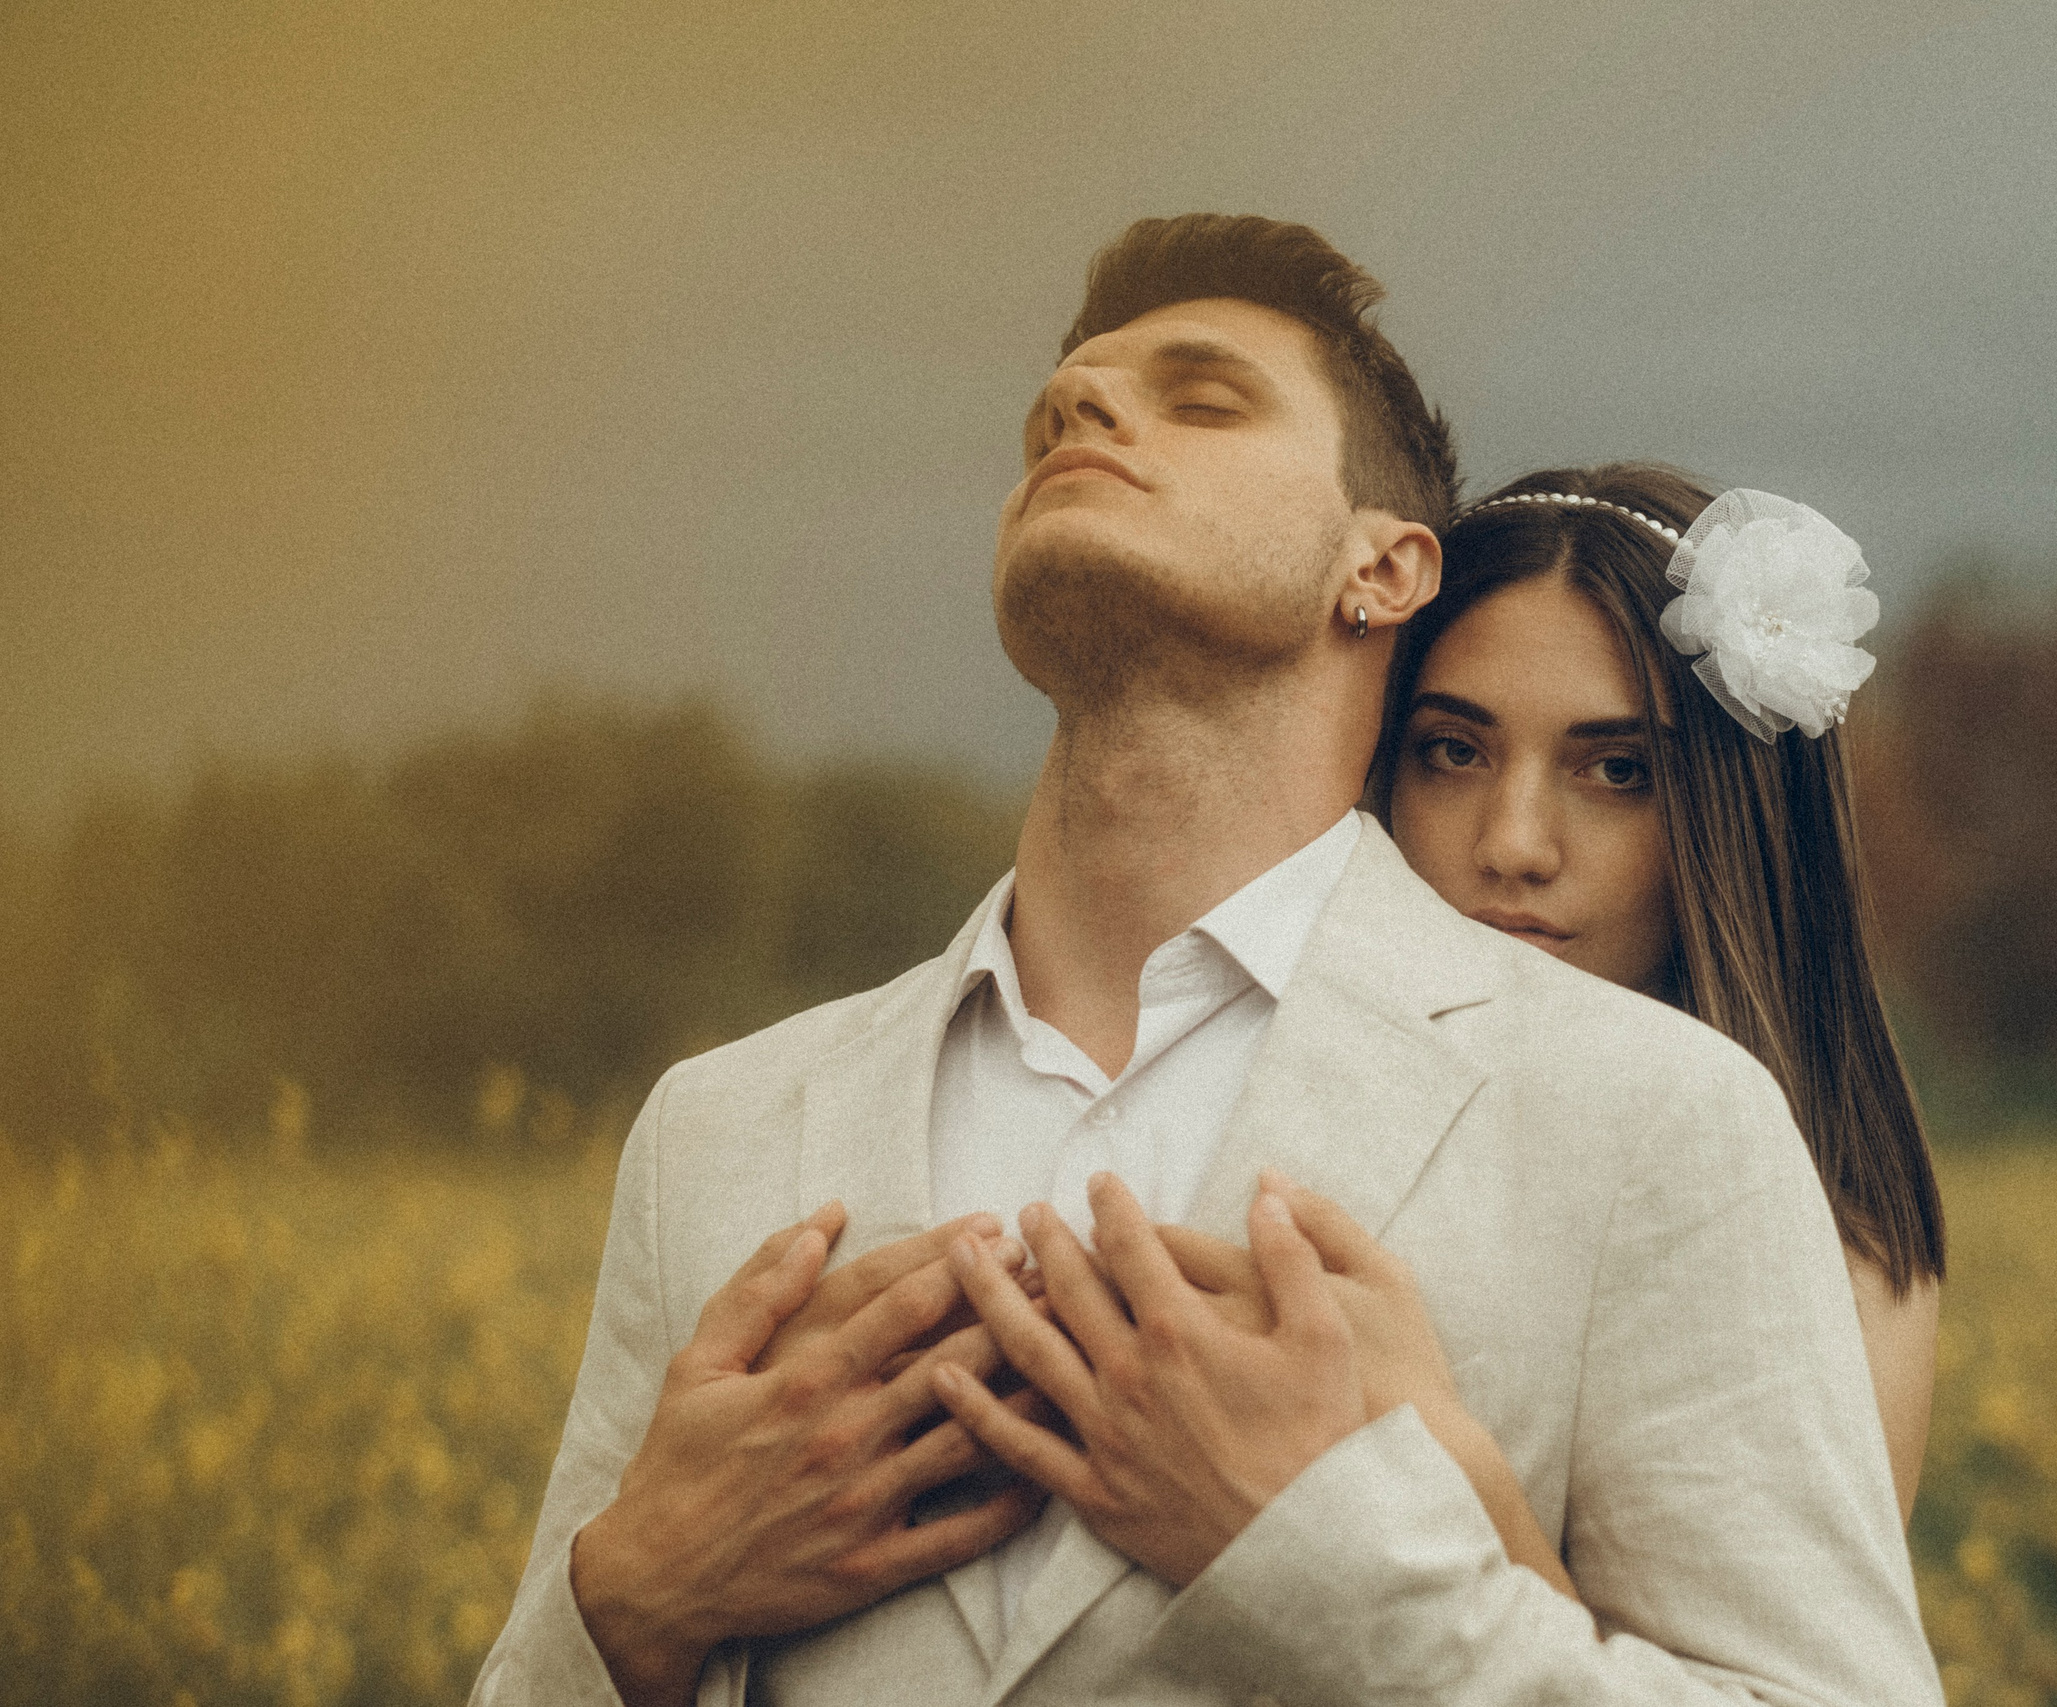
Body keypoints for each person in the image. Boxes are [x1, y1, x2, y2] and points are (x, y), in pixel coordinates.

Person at [470, 214, 1941, 1707]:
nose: (1084, 409)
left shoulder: (1662, 1117)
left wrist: (1327, 1559)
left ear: (1382, 568)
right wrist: (631, 1602)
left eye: (1203, 394)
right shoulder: (712, 1129)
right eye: (1062, 406)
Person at [1379, 466, 1946, 1523]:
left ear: (1734, 822)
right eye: (1452, 752)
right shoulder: (1265, 1089)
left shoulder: (1836, 1250)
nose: (1510, 844)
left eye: (1618, 771)